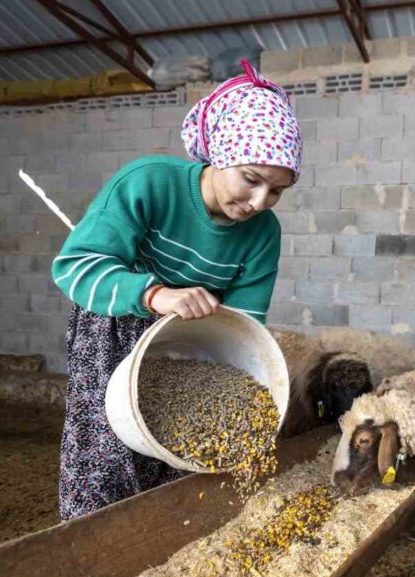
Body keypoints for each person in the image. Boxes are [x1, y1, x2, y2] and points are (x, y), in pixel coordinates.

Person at [50, 60, 302, 520]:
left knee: (185, 455)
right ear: (220, 153)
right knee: (107, 452)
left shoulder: (264, 233)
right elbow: (74, 267)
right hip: (113, 328)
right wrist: (154, 295)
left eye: (276, 191)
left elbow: (244, 329)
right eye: (250, 178)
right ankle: (90, 544)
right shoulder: (149, 183)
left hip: (192, 348)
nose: (259, 203)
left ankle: (163, 541)